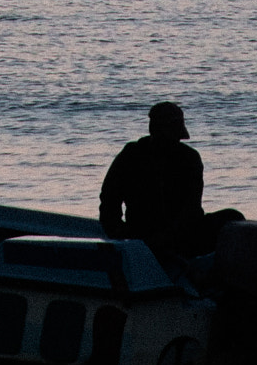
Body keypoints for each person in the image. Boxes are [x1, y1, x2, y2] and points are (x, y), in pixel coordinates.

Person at [99, 101, 243, 257]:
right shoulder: (131, 155)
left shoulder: (189, 158)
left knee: (232, 217)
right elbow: (109, 200)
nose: (173, 142)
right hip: (141, 234)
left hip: (181, 234)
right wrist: (120, 234)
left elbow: (192, 209)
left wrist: (166, 237)